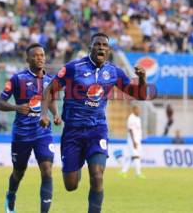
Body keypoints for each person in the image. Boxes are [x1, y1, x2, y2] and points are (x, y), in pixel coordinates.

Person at [40, 32, 148, 213]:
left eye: (105, 45)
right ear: (91, 48)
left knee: (97, 175)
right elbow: (49, 90)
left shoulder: (113, 72)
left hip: (97, 129)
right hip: (73, 131)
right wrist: (44, 114)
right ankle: (77, 163)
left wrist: (143, 79)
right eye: (97, 45)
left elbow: (140, 95)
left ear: (108, 50)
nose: (101, 48)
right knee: (71, 185)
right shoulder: (73, 68)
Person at [0, 43, 61, 213]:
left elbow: (51, 100)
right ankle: (11, 195)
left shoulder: (51, 80)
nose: (40, 58)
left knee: (47, 171)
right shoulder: (17, 79)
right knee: (19, 172)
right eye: (36, 55)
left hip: (43, 133)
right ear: (28, 59)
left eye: (42, 55)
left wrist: (55, 114)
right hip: (22, 134)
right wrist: (16, 108)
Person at [120, 103, 144, 178]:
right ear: (134, 110)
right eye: (138, 109)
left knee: (132, 157)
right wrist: (133, 141)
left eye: (139, 109)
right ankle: (138, 173)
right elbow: (130, 130)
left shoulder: (138, 118)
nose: (139, 111)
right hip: (132, 141)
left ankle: (123, 171)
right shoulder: (131, 118)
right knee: (136, 156)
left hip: (138, 140)